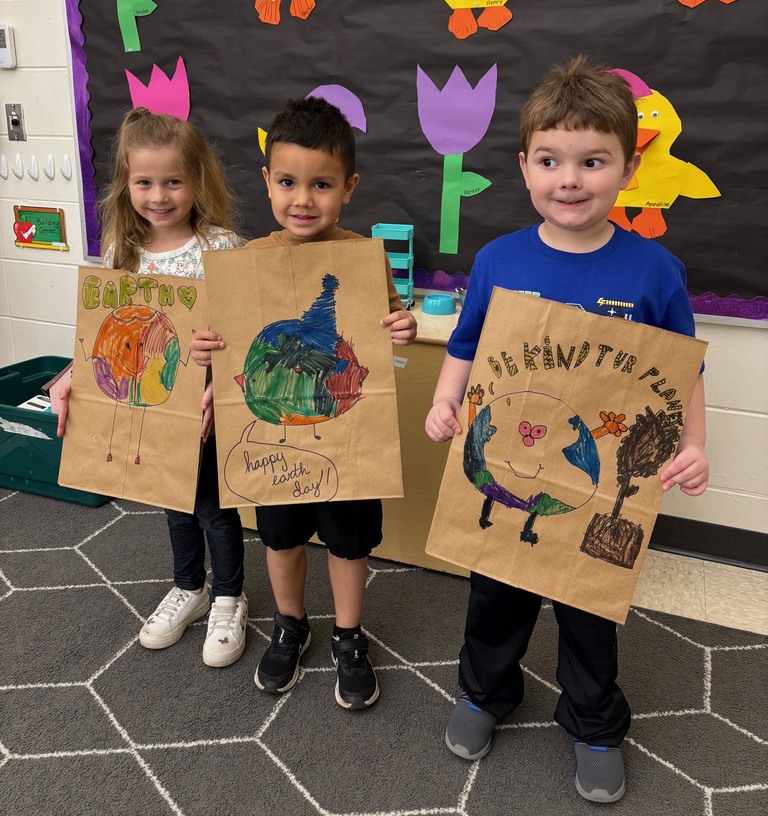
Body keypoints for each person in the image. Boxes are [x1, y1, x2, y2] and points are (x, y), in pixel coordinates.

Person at [425, 57, 708, 803]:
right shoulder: (498, 260)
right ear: (525, 168)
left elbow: (683, 375)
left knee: (588, 609)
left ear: (628, 167)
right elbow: (465, 343)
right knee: (495, 595)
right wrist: (444, 403)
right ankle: (487, 691)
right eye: (550, 161)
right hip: (509, 467)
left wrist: (693, 445)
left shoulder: (654, 270)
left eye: (592, 161)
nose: (570, 179)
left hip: (592, 478)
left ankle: (593, 719)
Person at [191, 96, 417, 709]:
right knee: (281, 538)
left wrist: (404, 327)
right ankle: (291, 624)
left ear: (349, 187)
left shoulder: (364, 259)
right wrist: (204, 346)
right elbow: (218, 345)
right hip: (271, 444)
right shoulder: (246, 264)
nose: (303, 199)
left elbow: (390, 325)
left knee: (348, 543)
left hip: (348, 442)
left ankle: (349, 634)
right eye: (287, 182)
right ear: (266, 182)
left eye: (321, 184)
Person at [57, 107, 248, 668]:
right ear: (126, 184)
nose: (158, 195)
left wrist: (221, 387)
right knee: (172, 500)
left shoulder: (221, 246)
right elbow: (103, 332)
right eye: (144, 182)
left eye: (173, 181)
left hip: (209, 404)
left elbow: (244, 329)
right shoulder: (124, 250)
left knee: (215, 507)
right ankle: (189, 587)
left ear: (197, 181)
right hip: (154, 401)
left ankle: (230, 598)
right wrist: (70, 378)